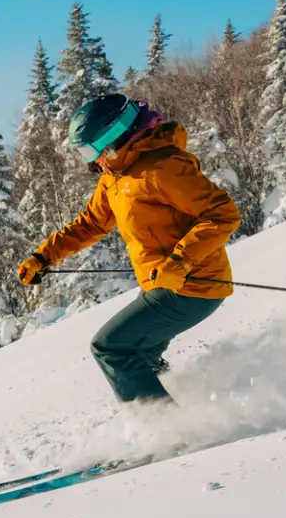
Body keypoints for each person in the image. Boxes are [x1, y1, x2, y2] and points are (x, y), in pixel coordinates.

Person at [17, 94, 242, 405]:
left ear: (112, 136)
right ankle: (186, 414)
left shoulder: (162, 168)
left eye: (87, 150)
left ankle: (164, 429)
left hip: (192, 285)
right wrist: (43, 257)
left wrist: (180, 261)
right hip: (163, 285)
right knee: (138, 356)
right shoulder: (115, 177)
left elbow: (223, 212)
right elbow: (90, 224)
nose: (87, 160)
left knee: (110, 347)